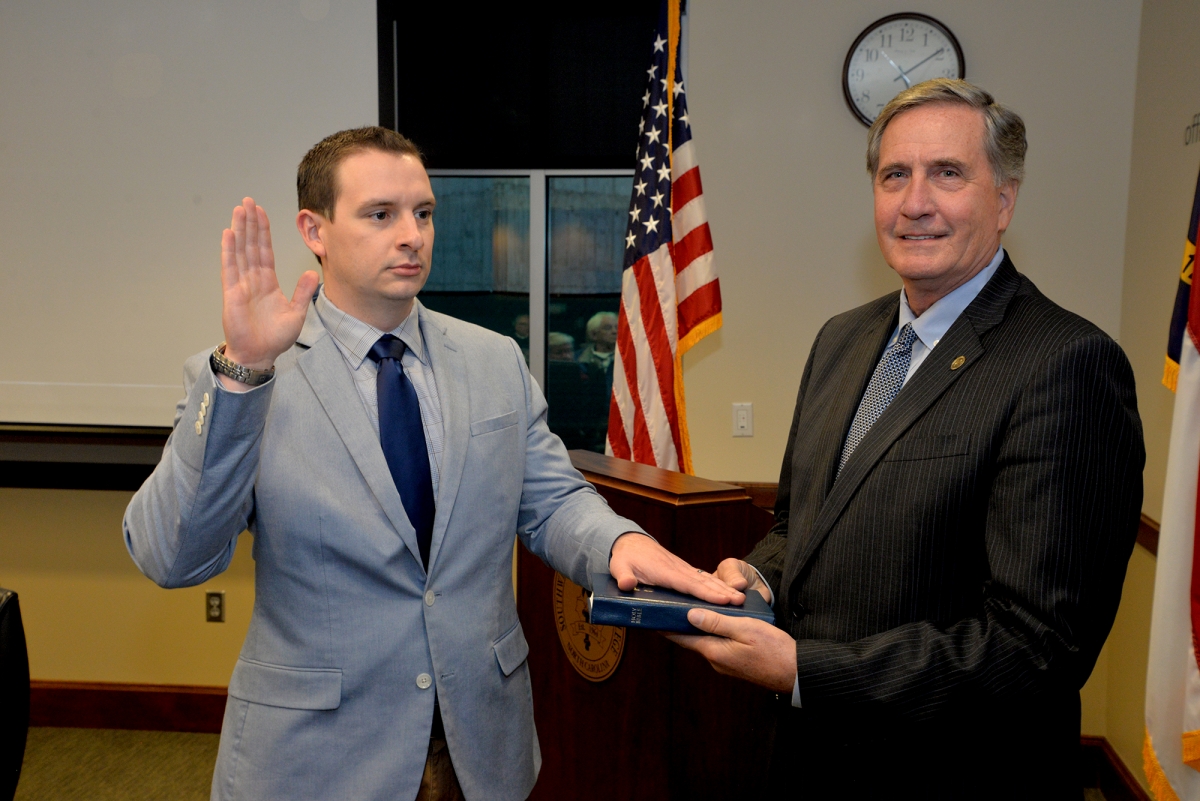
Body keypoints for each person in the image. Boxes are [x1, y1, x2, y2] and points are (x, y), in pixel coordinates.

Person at [122, 126, 739, 801]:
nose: (412, 234)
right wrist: (242, 374)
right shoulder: (251, 374)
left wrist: (618, 543)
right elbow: (171, 555)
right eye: (380, 214)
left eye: (423, 212)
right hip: (317, 762)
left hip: (479, 750)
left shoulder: (492, 359)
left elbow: (554, 500)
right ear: (315, 228)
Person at [670, 80, 1144, 798]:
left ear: (1005, 200)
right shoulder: (842, 339)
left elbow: (1034, 647)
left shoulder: (1066, 364)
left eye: (947, 174)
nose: (915, 201)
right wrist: (760, 573)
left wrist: (803, 669)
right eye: (895, 175)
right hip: (808, 761)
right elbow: (802, 521)